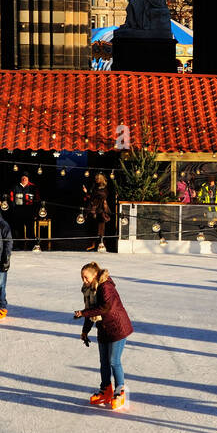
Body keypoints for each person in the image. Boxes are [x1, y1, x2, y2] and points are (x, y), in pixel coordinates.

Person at [75, 263, 134, 409]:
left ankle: (120, 391)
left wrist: (83, 313)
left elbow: (104, 308)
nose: (84, 281)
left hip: (117, 327)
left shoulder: (105, 286)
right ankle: (106, 390)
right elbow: (91, 311)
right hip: (103, 329)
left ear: (94, 275)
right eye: (82, 277)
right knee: (104, 362)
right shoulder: (89, 290)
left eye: (86, 277)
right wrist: (85, 331)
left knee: (114, 361)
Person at [9, 174, 39, 251]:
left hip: (29, 213)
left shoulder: (33, 187)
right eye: (23, 178)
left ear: (28, 179)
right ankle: (19, 246)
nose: (24, 179)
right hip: (18, 212)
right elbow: (11, 199)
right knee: (19, 230)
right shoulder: (15, 187)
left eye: (25, 178)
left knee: (30, 230)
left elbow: (37, 200)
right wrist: (14, 211)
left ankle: (33, 246)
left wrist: (35, 212)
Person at [83, 173, 112, 252]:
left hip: (100, 208)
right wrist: (87, 192)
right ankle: (95, 244)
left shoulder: (103, 188)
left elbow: (99, 195)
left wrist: (89, 194)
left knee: (101, 227)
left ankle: (101, 244)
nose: (96, 180)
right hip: (95, 208)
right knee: (94, 227)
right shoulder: (95, 186)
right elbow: (92, 196)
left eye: (97, 178)